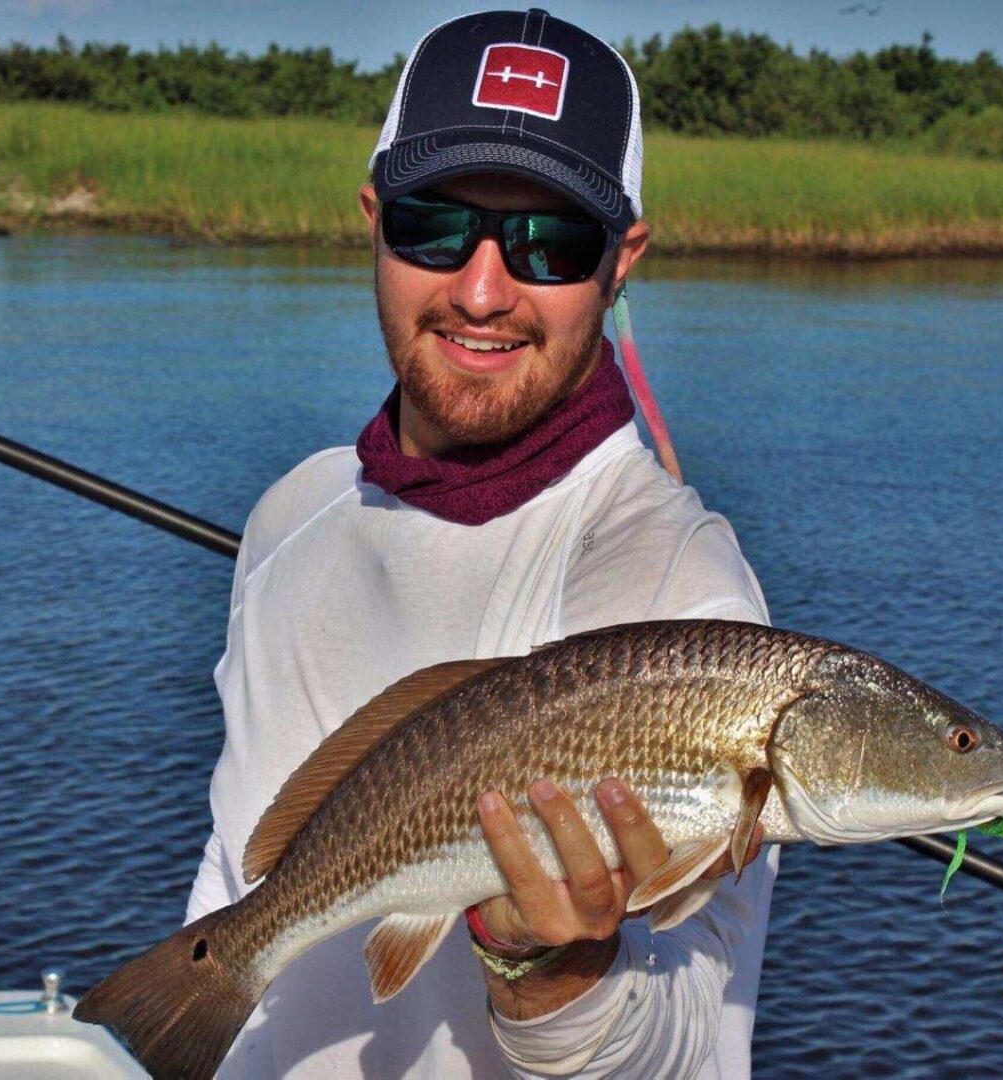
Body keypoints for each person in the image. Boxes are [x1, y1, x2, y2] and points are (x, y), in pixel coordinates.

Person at [186, 9, 776, 1077]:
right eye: (434, 226)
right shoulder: (292, 513)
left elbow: (696, 1052)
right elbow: (233, 881)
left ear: (623, 259)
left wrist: (552, 972)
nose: (483, 289)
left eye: (552, 241)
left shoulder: (683, 597)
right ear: (372, 217)